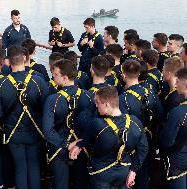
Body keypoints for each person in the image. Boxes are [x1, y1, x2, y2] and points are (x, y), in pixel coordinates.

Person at [0, 45, 49, 189]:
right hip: (35, 131)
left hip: (12, 132)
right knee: (34, 166)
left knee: (20, 167)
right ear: (24, 58)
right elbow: (46, 109)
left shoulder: (0, 83)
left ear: (8, 62)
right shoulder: (39, 81)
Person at [68, 86, 148, 189]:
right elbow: (143, 149)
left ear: (106, 104)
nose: (96, 105)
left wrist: (78, 146)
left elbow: (84, 135)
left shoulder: (97, 124)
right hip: (125, 171)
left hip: (101, 173)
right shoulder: (135, 122)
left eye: (97, 102)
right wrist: (133, 171)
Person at [42, 59, 91, 189]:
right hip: (81, 147)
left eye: (56, 75)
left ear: (64, 78)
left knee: (60, 184)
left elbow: (47, 130)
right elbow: (93, 126)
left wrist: (66, 144)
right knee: (81, 183)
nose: (53, 76)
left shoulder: (53, 99)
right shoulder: (88, 96)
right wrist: (80, 143)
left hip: (59, 147)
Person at [119, 59, 163, 189]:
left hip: (131, 142)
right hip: (148, 137)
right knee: (144, 173)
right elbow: (159, 114)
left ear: (124, 75)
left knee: (129, 176)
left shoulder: (123, 98)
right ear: (139, 74)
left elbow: (122, 124)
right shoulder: (150, 92)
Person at [159, 68, 187, 189]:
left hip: (178, 162)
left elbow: (167, 140)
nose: (175, 84)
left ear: (185, 84)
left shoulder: (179, 111)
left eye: (178, 81)